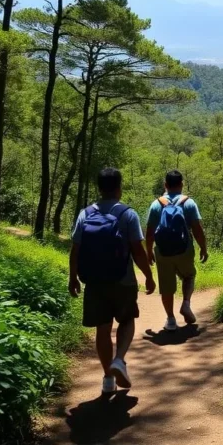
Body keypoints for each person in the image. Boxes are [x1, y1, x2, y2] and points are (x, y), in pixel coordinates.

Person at [69, 167, 156, 394]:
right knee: (127, 320)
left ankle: (108, 378)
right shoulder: (128, 214)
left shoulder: (85, 214)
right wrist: (148, 276)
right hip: (123, 280)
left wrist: (73, 278)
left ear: (99, 188)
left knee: (103, 328)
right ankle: (119, 359)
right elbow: (137, 250)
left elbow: (75, 250)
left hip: (94, 282)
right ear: (119, 188)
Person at [146, 169, 208, 331]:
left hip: (162, 251)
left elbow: (150, 231)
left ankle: (171, 320)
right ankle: (186, 303)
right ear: (181, 184)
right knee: (189, 275)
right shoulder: (188, 203)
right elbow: (197, 229)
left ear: (165, 185)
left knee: (166, 286)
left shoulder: (156, 204)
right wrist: (203, 248)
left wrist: (148, 252)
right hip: (184, 250)